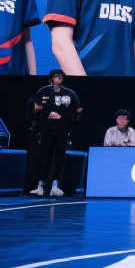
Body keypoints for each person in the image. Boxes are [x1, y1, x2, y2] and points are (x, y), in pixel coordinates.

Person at [30, 69, 81, 197]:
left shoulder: (69, 93)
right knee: (44, 157)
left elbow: (78, 110)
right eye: (56, 76)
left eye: (60, 76)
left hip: (62, 131)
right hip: (46, 130)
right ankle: (40, 186)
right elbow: (36, 111)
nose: (58, 78)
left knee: (59, 158)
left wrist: (69, 125)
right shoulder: (43, 92)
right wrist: (39, 125)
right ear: (51, 78)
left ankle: (55, 186)